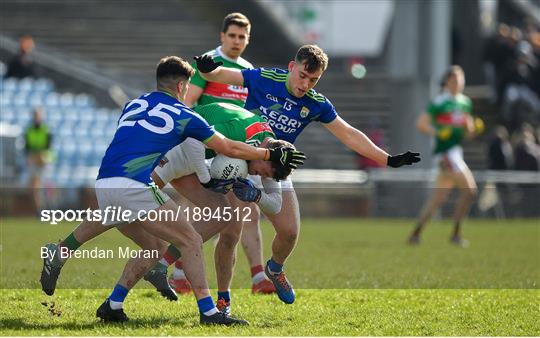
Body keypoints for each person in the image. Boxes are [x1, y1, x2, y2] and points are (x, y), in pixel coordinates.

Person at [39, 56, 304, 325]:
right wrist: (218, 172)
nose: (188, 92)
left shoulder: (134, 103)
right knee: (188, 239)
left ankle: (109, 299)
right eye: (188, 87)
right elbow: (229, 148)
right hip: (140, 181)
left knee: (154, 242)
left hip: (105, 180)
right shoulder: (185, 114)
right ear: (180, 86)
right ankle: (209, 311)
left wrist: (251, 184)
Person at [193, 44, 421, 304]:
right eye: (302, 75)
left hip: (278, 166)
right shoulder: (266, 78)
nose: (306, 84)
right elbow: (220, 76)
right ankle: (223, 300)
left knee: (289, 231)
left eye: (313, 80)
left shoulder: (316, 103)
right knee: (231, 230)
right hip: (245, 159)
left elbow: (348, 134)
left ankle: (275, 269)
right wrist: (207, 69)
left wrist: (387, 159)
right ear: (292, 66)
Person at [171, 12, 277, 295]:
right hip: (207, 148)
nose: (237, 41)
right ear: (222, 36)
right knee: (214, 214)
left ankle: (257, 277)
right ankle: (178, 270)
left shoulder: (248, 69)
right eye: (232, 35)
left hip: (236, 151)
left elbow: (249, 112)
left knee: (246, 213)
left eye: (242, 36)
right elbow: (188, 102)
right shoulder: (208, 63)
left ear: (248, 39)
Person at [408, 66, 478, 247]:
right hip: (445, 155)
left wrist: (471, 129)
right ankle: (456, 234)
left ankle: (415, 233)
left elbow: (467, 132)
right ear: (447, 82)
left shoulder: (465, 103)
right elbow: (421, 124)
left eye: (460, 79)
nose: (458, 83)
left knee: (438, 199)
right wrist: (439, 132)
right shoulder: (440, 102)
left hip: (456, 153)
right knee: (470, 191)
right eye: (454, 80)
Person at [24, 107, 52, 212]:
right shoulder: (29, 130)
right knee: (34, 187)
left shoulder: (46, 129)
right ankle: (40, 210)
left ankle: (47, 208)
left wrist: (40, 156)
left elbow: (48, 147)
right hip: (33, 160)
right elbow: (27, 147)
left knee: (41, 185)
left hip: (43, 160)